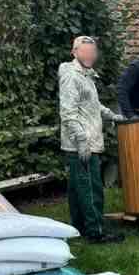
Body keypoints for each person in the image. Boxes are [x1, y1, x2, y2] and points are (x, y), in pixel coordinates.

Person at [58, 36, 125, 244]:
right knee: (91, 189)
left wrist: (112, 116)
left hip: (87, 142)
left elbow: (93, 105)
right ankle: (96, 232)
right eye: (84, 51)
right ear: (75, 52)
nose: (89, 55)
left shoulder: (86, 76)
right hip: (82, 144)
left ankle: (79, 229)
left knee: (78, 189)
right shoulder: (72, 76)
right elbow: (68, 112)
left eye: (92, 52)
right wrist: (81, 140)